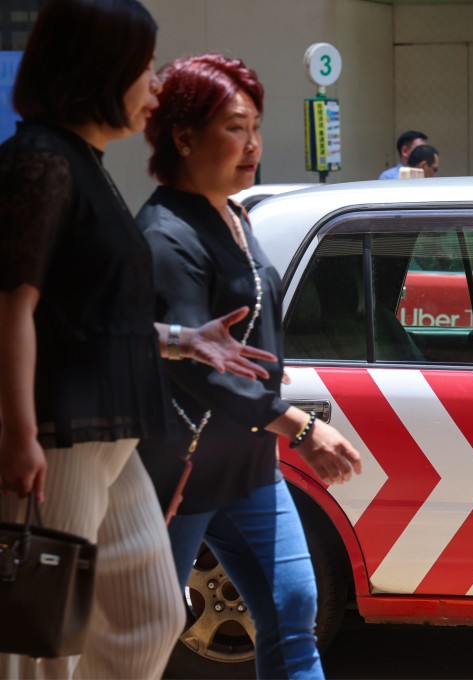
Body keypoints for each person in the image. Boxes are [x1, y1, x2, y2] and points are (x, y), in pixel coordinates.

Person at [0, 2, 278, 678]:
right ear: (100, 70)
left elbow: (85, 316)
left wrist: (185, 339)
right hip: (60, 440)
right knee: (43, 643)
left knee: (150, 619)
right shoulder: (42, 160)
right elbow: (13, 308)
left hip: (108, 439)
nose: (153, 90)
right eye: (146, 69)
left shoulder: (81, 164)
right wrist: (18, 432)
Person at [137, 52, 363, 679]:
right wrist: (297, 424)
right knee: (145, 637)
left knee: (294, 610)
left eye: (256, 126)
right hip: (178, 471)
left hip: (247, 464)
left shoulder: (233, 213)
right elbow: (197, 370)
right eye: (234, 127)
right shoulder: (164, 234)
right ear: (183, 137)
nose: (252, 143)